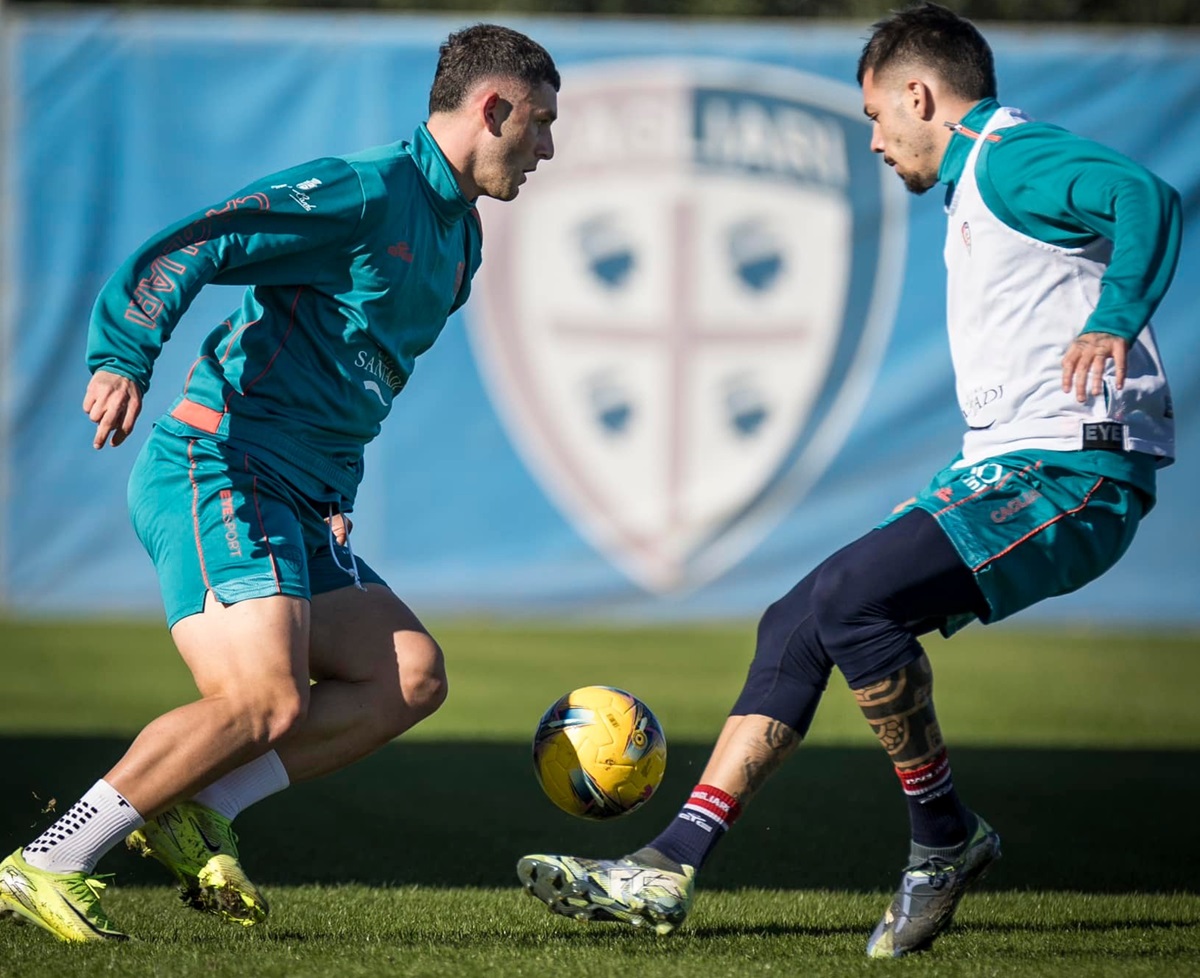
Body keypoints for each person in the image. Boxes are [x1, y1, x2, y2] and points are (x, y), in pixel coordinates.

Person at [516, 2, 1180, 959]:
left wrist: (1115, 317)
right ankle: (666, 864)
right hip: (1009, 464)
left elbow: (1146, 196)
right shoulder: (982, 178)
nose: (874, 138)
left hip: (1074, 469)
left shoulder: (1007, 156)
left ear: (921, 94)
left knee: (848, 599)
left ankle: (942, 837)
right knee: (795, 617)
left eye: (876, 115)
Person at [0, 23, 558, 943]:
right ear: (490, 108)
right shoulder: (368, 188)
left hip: (299, 500)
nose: (547, 148)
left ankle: (197, 805)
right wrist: (124, 353)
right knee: (264, 701)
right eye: (538, 123)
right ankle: (50, 859)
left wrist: (337, 493)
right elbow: (204, 240)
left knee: (409, 678)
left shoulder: (462, 247)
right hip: (218, 466)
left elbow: (352, 380)